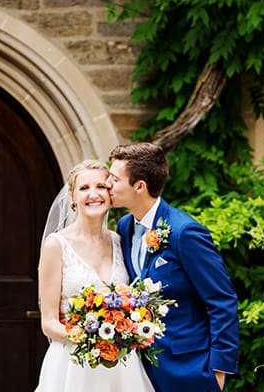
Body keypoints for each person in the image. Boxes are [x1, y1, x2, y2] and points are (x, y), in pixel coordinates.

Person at [106, 143, 239, 392]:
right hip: (140, 369)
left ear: (139, 186)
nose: (107, 184)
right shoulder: (124, 226)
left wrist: (219, 369)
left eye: (114, 178)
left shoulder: (185, 232)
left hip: (189, 368)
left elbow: (222, 300)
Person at [35, 159, 155, 392]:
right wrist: (91, 338)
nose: (94, 194)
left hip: (120, 365)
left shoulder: (120, 241)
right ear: (72, 196)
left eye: (101, 186)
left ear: (110, 193)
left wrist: (125, 332)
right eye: (84, 188)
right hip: (73, 363)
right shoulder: (56, 245)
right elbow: (48, 322)